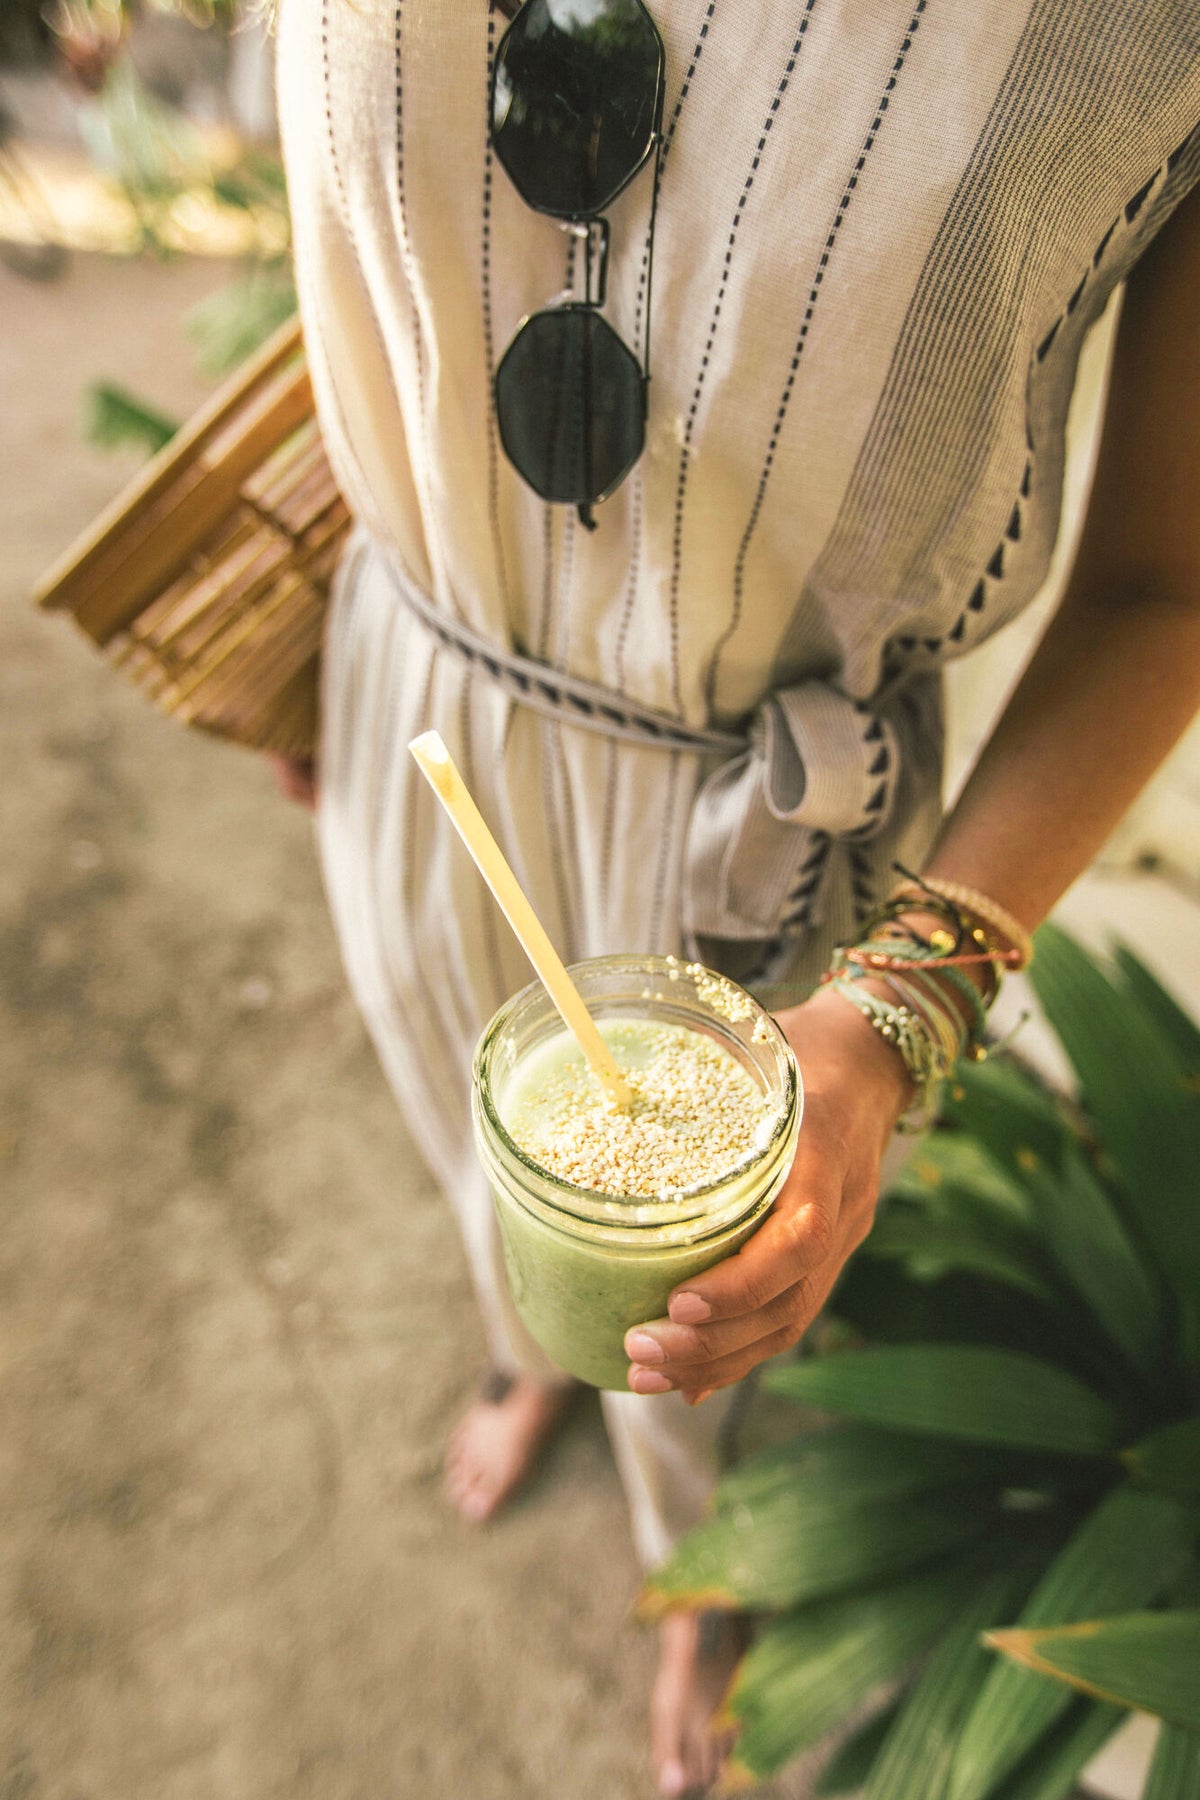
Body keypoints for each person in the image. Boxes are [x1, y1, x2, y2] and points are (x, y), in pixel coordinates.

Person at [267, 2, 1200, 1792]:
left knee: (716, 1309)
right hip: (414, 706)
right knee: (478, 1143)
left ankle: (690, 1561)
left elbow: (1165, 584)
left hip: (765, 819)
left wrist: (898, 1005)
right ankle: (523, 1339)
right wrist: (317, 589)